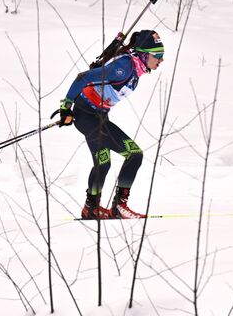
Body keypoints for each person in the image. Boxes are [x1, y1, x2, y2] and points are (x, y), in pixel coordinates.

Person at [53, 29, 166, 220]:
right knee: (134, 154)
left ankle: (91, 208)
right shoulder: (125, 66)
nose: (161, 60)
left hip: (96, 117)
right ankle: (120, 207)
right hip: (89, 116)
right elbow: (83, 77)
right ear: (144, 54)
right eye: (158, 55)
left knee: (103, 162)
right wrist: (66, 107)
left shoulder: (133, 68)